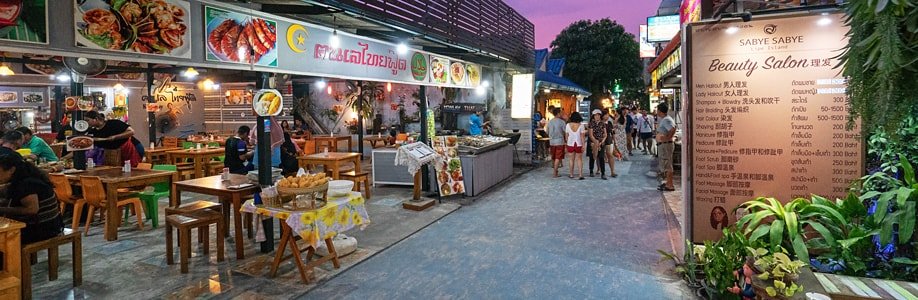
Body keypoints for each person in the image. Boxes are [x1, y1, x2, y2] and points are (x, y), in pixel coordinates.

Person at [0, 154, 63, 245]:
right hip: (47, 224)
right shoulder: (24, 177)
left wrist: (2, 210)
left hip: (44, 228)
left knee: (4, 238)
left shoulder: (27, 184)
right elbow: (5, 189)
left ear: (12, 170)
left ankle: (13, 258)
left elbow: (32, 209)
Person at [656, 103, 677, 191]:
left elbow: (672, 129)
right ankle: (668, 183)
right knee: (666, 164)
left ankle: (670, 185)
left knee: (668, 165)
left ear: (660, 111)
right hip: (664, 145)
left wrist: (667, 137)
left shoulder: (666, 120)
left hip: (666, 145)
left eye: (657, 110)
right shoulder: (665, 119)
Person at [546, 107, 567, 178]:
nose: (562, 114)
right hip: (559, 141)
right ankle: (555, 172)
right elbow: (565, 132)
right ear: (558, 113)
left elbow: (547, 132)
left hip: (551, 141)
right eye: (561, 112)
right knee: (558, 157)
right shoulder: (562, 122)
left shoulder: (550, 122)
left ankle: (556, 171)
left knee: (554, 156)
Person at [565, 111, 586, 180]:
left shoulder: (568, 125)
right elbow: (582, 137)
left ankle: (571, 174)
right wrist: (583, 145)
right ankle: (580, 174)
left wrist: (566, 143)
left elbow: (566, 136)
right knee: (579, 159)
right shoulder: (581, 126)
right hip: (578, 144)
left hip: (570, 144)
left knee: (571, 159)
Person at [587, 109, 607, 179]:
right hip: (593, 142)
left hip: (601, 142)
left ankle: (603, 173)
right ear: (593, 116)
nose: (597, 116)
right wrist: (595, 142)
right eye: (596, 115)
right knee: (592, 157)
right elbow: (590, 134)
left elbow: (605, 134)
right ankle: (591, 170)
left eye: (598, 115)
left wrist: (602, 141)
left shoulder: (603, 123)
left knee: (601, 157)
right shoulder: (591, 124)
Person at [601, 111, 618, 177]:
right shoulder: (600, 123)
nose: (607, 116)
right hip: (601, 139)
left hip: (608, 139)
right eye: (605, 115)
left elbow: (612, 132)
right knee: (600, 156)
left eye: (608, 115)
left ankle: (612, 171)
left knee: (610, 155)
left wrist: (614, 141)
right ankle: (599, 170)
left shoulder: (610, 123)